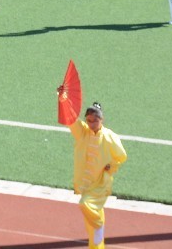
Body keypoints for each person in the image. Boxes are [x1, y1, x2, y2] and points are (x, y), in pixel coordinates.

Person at [56, 100, 127, 249]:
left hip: (100, 182)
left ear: (102, 120)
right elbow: (70, 117)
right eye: (89, 120)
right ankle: (96, 246)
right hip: (85, 183)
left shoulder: (110, 137)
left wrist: (111, 167)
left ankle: (99, 225)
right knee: (91, 217)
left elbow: (121, 156)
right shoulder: (82, 132)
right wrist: (63, 99)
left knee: (85, 204)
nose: (92, 123)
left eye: (95, 120)